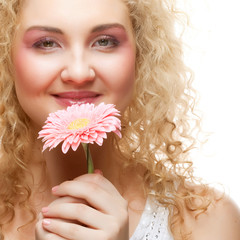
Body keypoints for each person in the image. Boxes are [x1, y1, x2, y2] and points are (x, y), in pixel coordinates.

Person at [0, 0, 239, 239]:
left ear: (141, 55)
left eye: (104, 41)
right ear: (6, 56)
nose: (79, 73)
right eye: (47, 43)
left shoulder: (206, 221)